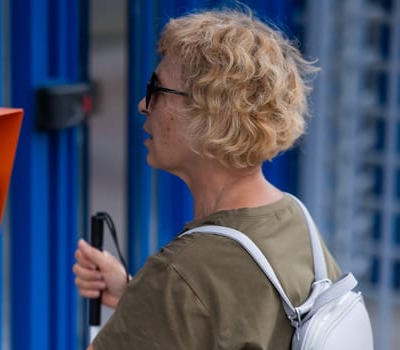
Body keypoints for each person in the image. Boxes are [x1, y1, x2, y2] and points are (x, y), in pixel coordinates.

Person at [73, 8, 341, 350]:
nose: (143, 104)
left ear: (210, 114)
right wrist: (136, 298)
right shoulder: (295, 220)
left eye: (157, 88)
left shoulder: (182, 274)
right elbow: (240, 322)